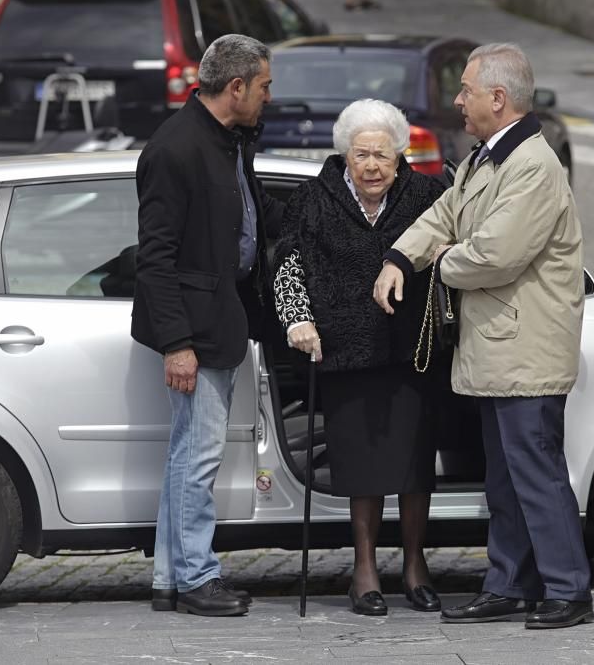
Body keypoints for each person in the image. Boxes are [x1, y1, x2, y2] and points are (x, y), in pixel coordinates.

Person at [373, 43, 594, 630]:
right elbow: (445, 213)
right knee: (504, 479)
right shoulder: (486, 159)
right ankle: (508, 584)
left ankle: (569, 590)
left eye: (465, 88)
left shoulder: (533, 167)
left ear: (498, 98)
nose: (457, 99)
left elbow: (496, 255)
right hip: (498, 350)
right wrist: (400, 256)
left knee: (536, 474)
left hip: (525, 352)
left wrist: (437, 264)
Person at [273, 99, 448, 616]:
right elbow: (286, 263)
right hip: (344, 351)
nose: (372, 167)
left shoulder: (426, 195)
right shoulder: (311, 200)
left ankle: (415, 564)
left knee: (415, 465)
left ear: (400, 157)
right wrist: (296, 319)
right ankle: (364, 569)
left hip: (411, 351)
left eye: (382, 156)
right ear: (345, 155)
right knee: (363, 466)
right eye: (362, 155)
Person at [132, 34, 282, 618]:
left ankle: (173, 577)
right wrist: (177, 344)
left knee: (186, 456)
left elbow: (250, 216)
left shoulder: (226, 139)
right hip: (196, 330)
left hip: (219, 320)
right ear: (237, 87)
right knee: (197, 458)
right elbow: (156, 258)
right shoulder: (176, 149)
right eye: (265, 86)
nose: (270, 97)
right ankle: (196, 577)